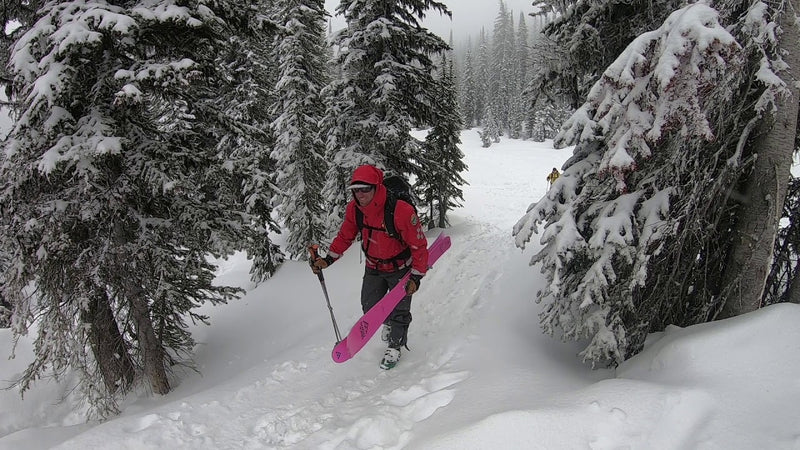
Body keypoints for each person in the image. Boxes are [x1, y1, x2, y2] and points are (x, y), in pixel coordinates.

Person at [311, 164, 428, 369]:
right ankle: (388, 323)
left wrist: (416, 277)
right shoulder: (354, 209)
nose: (360, 194)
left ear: (376, 186)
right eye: (356, 189)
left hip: (400, 267)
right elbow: (345, 236)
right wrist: (328, 259)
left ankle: (395, 345)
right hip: (373, 266)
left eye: (365, 188)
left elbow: (418, 245)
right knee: (370, 306)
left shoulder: (401, 211)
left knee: (400, 309)